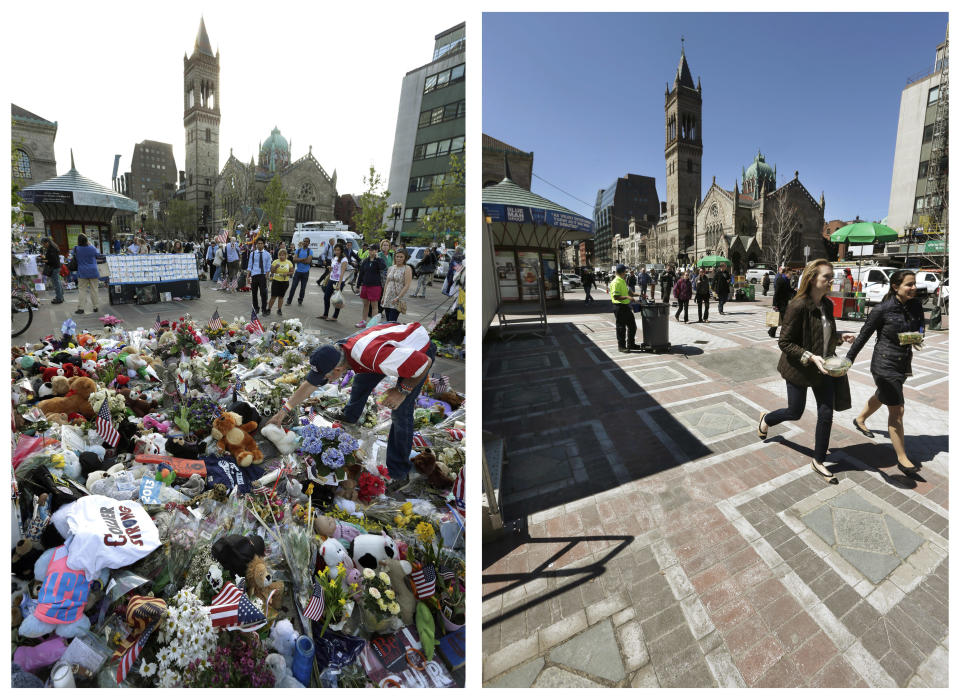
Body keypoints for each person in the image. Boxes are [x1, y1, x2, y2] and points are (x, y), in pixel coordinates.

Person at [265, 322, 437, 488]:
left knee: (401, 412)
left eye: (325, 379)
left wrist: (402, 390)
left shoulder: (372, 357)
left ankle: (399, 471)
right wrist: (284, 411)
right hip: (388, 346)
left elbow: (424, 363)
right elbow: (310, 384)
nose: (324, 382)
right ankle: (350, 415)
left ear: (338, 370)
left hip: (419, 352)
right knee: (362, 378)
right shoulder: (339, 352)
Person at [759, 259, 857, 481]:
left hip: (823, 369)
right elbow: (784, 342)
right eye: (827, 277)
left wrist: (840, 336)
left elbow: (825, 336)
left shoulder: (828, 305)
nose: (831, 281)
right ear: (812, 278)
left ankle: (818, 460)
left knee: (826, 413)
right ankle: (767, 419)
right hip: (799, 369)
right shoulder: (798, 305)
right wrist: (810, 356)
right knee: (795, 412)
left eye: (832, 277)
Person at [846, 269, 925, 475]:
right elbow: (863, 335)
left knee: (884, 395)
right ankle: (902, 457)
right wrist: (848, 360)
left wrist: (915, 338)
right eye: (909, 284)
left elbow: (920, 329)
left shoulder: (916, 305)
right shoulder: (882, 309)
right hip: (883, 364)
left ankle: (860, 419)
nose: (914, 288)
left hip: (902, 363)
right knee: (897, 410)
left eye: (914, 283)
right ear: (895, 286)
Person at [609, 264, 640, 353]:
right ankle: (621, 346)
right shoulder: (616, 282)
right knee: (621, 328)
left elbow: (628, 292)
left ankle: (631, 344)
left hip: (626, 307)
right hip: (619, 307)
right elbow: (616, 296)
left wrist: (637, 295)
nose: (626, 273)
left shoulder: (622, 280)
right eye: (625, 272)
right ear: (621, 272)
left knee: (632, 326)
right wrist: (627, 297)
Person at [356, 244, 387, 327]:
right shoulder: (365, 261)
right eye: (370, 250)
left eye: (373, 250)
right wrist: (358, 285)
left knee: (374, 306)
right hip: (365, 285)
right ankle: (363, 321)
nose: (371, 251)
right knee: (365, 304)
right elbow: (361, 273)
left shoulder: (379, 260)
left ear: (377, 251)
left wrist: (377, 258)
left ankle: (373, 324)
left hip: (375, 286)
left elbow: (383, 267)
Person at [318, 243, 348, 322]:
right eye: (335, 250)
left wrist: (339, 284)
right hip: (331, 279)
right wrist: (330, 268)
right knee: (326, 297)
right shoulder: (334, 258)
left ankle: (335, 317)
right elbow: (334, 269)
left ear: (341, 250)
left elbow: (342, 272)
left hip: (338, 281)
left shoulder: (344, 259)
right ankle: (325, 314)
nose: (336, 251)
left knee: (337, 300)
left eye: (338, 250)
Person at [72, 234, 100, 315]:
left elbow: (73, 255)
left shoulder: (76, 248)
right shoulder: (92, 248)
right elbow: (98, 255)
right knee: (94, 289)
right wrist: (90, 244)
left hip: (82, 272)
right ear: (86, 240)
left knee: (82, 290)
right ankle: (95, 307)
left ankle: (81, 308)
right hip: (93, 271)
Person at [382, 249, 413, 322]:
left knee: (392, 321)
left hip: (397, 298)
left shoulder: (407, 268)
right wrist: (383, 296)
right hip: (388, 297)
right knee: (387, 321)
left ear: (405, 258)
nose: (399, 259)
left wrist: (398, 297)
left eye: (401, 257)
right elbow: (387, 283)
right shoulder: (391, 268)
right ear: (394, 257)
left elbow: (407, 285)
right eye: (397, 256)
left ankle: (393, 333)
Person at [265, 247, 293, 316]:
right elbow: (272, 271)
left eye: (283, 255)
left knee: (281, 297)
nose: (281, 256)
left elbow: (292, 272)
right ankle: (269, 309)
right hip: (276, 281)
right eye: (280, 255)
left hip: (284, 282)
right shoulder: (275, 261)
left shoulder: (289, 262)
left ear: (286, 255)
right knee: (273, 296)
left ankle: (279, 310)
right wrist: (275, 267)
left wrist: (286, 274)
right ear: (278, 255)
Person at [247, 239, 271, 314]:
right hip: (254, 275)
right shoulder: (253, 254)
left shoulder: (267, 254)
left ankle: (264, 309)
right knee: (254, 293)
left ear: (264, 244)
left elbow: (268, 265)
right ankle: (256, 308)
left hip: (263, 275)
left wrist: (267, 275)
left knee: (263, 293)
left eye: (261, 243)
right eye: (258, 243)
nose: (260, 245)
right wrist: (248, 275)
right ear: (256, 244)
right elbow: (250, 265)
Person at [287, 238, 313, 307]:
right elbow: (294, 260)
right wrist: (303, 259)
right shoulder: (298, 251)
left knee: (303, 288)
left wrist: (299, 260)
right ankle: (289, 300)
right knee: (293, 287)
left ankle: (300, 300)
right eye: (304, 241)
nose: (305, 243)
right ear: (303, 242)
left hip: (305, 272)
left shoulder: (310, 251)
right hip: (298, 272)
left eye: (307, 242)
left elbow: (308, 261)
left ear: (309, 243)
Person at [769, 266, 793, 338]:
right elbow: (776, 293)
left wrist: (796, 292)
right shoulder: (780, 279)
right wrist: (774, 304)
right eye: (790, 274)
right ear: (786, 273)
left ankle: (771, 332)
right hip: (780, 303)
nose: (791, 276)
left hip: (784, 301)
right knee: (784, 319)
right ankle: (784, 335)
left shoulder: (786, 280)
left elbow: (789, 289)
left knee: (779, 318)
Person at [41, 238, 64, 305]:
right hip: (56, 267)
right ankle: (60, 297)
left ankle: (59, 298)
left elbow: (52, 260)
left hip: (54, 268)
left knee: (56, 284)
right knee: (58, 283)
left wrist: (43, 260)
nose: (43, 245)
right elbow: (51, 258)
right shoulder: (53, 248)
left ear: (47, 242)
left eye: (44, 244)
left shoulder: (51, 249)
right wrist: (44, 258)